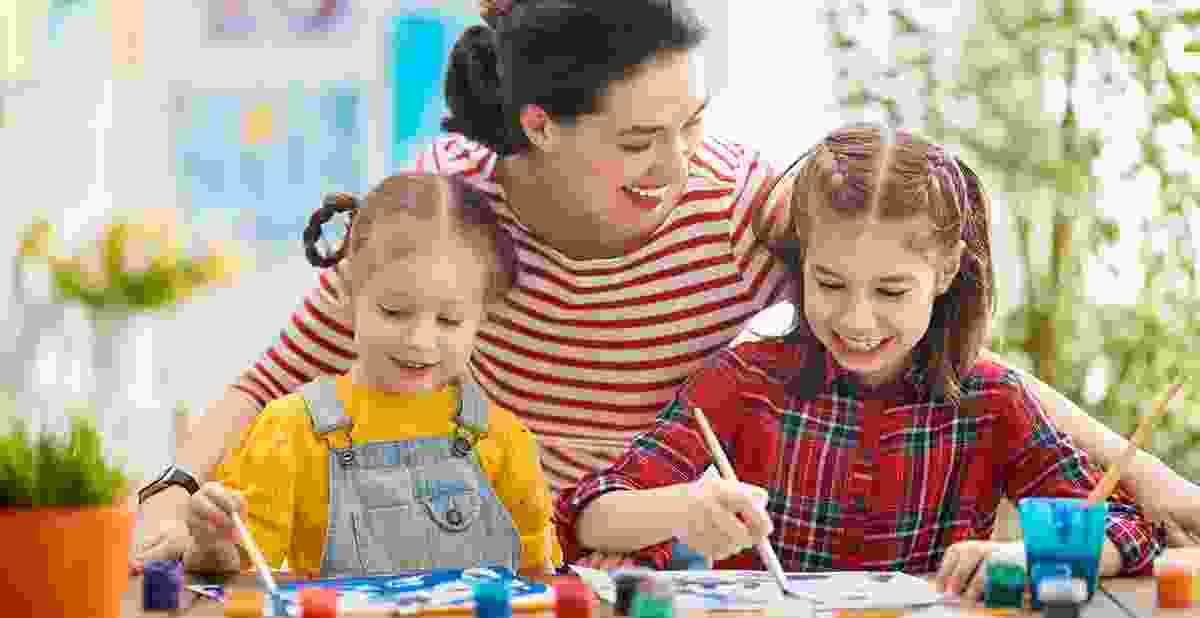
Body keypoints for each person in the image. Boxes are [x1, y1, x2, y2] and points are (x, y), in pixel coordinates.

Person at [133, 0, 1200, 570]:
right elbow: (271, 377)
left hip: (642, 573)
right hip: (482, 559)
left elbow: (936, 341)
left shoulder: (738, 206)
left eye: (692, 124)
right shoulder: (448, 215)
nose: (681, 165)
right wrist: (170, 496)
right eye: (642, 141)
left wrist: (1150, 482)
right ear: (541, 128)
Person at [552, 124, 1167, 598]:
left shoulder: (992, 401)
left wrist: (1031, 558)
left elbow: (1128, 528)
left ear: (946, 272)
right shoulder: (744, 384)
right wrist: (682, 510)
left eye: (891, 291)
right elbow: (585, 515)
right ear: (804, 262)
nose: (857, 320)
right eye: (830, 283)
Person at [182, 174, 561, 577]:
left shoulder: (506, 441)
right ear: (348, 296)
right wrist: (212, 543)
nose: (419, 340)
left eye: (449, 320)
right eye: (394, 312)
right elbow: (238, 570)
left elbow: (540, 576)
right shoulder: (289, 430)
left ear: (481, 318)